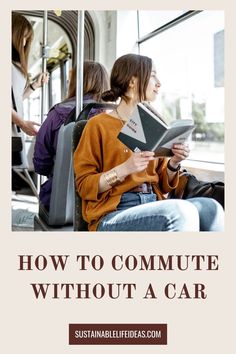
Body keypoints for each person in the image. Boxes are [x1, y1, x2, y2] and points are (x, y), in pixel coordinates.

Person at [74, 53, 224, 232]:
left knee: (211, 208)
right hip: (114, 212)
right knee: (179, 212)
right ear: (132, 81)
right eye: (153, 75)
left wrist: (174, 163)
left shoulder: (152, 125)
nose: (159, 83)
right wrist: (124, 169)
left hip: (154, 202)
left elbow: (162, 185)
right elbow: (83, 186)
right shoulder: (97, 125)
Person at [33, 61, 109, 211]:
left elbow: (40, 164)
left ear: (75, 82)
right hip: (103, 200)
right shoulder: (114, 116)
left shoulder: (56, 115)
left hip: (62, 202)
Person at [12, 12, 49, 136]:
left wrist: (34, 86)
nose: (23, 43)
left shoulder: (14, 65)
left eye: (26, 39)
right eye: (23, 37)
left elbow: (15, 101)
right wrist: (22, 124)